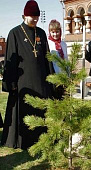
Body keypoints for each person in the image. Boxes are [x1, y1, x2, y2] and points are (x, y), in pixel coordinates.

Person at [1, 0, 54, 149]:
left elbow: (47, 58)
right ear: (24, 15)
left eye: (37, 17)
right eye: (33, 17)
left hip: (41, 81)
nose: (36, 19)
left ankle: (42, 138)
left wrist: (52, 79)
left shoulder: (41, 33)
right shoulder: (14, 33)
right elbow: (10, 60)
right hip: (23, 82)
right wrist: (10, 83)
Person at [48, 20, 68, 99]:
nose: (55, 34)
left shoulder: (63, 44)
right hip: (53, 76)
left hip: (63, 76)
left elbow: (66, 59)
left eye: (57, 32)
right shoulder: (48, 44)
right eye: (53, 32)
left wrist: (68, 74)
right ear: (50, 32)